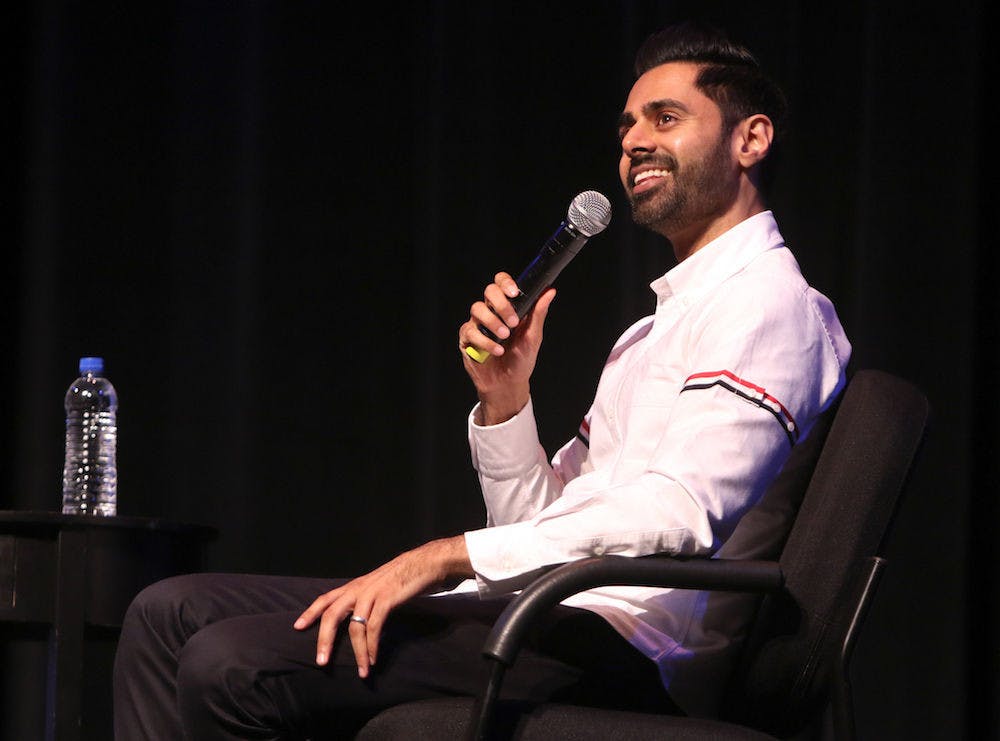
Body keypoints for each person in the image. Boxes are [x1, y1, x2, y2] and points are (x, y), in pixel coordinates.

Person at [113, 21, 850, 739]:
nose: (633, 141)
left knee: (229, 662)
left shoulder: (771, 306)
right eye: (628, 124)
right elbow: (536, 522)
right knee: (167, 612)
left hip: (628, 649)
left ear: (749, 139)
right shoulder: (651, 332)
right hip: (542, 610)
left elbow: (681, 511)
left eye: (666, 117)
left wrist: (442, 556)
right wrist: (505, 399)